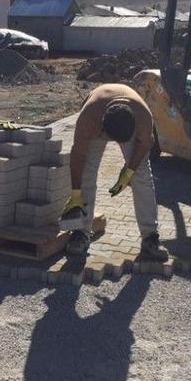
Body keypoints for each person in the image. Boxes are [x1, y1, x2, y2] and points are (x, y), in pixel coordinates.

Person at [60, 84, 169, 261]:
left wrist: (129, 172)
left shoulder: (143, 117)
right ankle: (81, 233)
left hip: (126, 120)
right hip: (97, 117)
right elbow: (78, 157)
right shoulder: (88, 118)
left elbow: (144, 144)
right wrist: (75, 194)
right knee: (87, 174)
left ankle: (150, 237)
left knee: (142, 175)